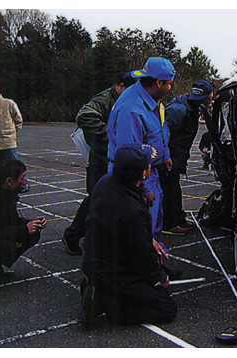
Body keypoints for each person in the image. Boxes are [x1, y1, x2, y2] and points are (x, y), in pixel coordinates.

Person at [81, 143, 178, 330]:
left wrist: (148, 239)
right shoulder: (132, 211)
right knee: (167, 307)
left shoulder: (106, 182)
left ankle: (95, 285)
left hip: (96, 260)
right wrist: (158, 276)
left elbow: (117, 226)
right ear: (143, 172)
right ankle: (106, 303)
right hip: (114, 272)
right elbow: (140, 256)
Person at [62, 73, 136, 255]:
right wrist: (110, 140)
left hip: (110, 159)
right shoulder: (105, 99)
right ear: (121, 86)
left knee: (107, 200)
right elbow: (85, 116)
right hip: (101, 161)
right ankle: (72, 235)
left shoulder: (121, 99)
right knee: (97, 200)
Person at [107, 57, 175, 246]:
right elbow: (129, 158)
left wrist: (164, 156)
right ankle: (148, 269)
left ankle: (155, 263)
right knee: (141, 228)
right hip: (136, 179)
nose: (171, 88)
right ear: (158, 83)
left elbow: (158, 130)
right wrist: (144, 189)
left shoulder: (151, 99)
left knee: (153, 223)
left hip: (148, 171)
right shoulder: (132, 110)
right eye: (169, 84)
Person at [160, 80, 213, 235]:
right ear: (201, 97)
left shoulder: (194, 107)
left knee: (175, 189)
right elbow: (163, 135)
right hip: (168, 157)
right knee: (168, 190)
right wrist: (165, 156)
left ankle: (178, 218)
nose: (210, 101)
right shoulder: (178, 110)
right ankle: (168, 224)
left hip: (177, 155)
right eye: (209, 98)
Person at [0, 159, 47, 282]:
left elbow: (11, 221)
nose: (24, 182)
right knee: (7, 246)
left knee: (33, 233)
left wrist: (32, 223)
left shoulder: (6, 192)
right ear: (9, 181)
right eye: (22, 178)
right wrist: (24, 229)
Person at [0, 84, 23, 167]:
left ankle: (21, 180)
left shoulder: (8, 103)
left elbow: (18, 119)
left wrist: (12, 131)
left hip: (8, 141)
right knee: (1, 167)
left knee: (13, 166)